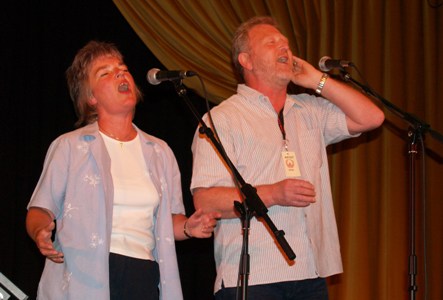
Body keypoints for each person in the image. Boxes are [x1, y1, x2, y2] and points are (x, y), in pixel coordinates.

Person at [190, 16, 385, 299]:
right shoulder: (221, 119)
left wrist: (317, 80)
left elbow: (372, 118)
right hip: (252, 276)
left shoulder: (309, 110)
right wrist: (272, 193)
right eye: (271, 43)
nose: (285, 49)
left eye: (286, 44)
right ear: (246, 60)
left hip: (310, 272)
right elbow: (205, 201)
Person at [26, 40, 221, 300]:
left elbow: (168, 222)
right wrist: (40, 231)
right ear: (91, 97)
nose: (120, 73)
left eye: (123, 67)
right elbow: (40, 208)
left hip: (142, 273)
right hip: (85, 275)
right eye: (105, 72)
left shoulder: (159, 151)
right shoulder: (70, 146)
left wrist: (188, 227)